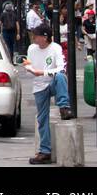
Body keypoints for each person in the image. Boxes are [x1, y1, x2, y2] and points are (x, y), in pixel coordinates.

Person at [23, 23, 72, 164]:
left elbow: (61, 68)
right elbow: (29, 65)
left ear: (44, 37)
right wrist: (29, 68)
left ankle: (64, 107)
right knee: (42, 119)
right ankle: (45, 151)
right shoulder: (32, 48)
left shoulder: (55, 48)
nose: (34, 38)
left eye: (36, 36)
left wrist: (42, 72)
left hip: (51, 81)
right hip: (39, 85)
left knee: (61, 77)